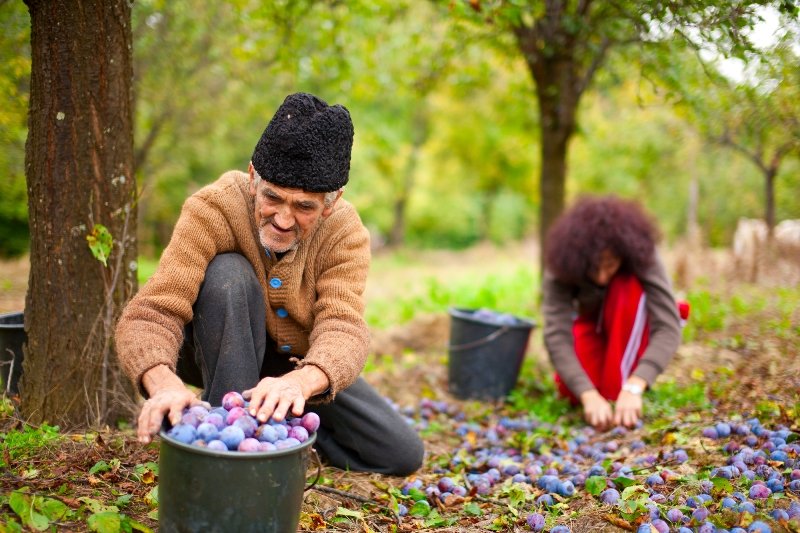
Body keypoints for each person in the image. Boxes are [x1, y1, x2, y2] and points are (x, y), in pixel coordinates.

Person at [115, 92, 424, 476]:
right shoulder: (213, 208)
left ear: (331, 202)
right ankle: (227, 449)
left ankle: (282, 427)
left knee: (400, 453)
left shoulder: (345, 232)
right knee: (229, 274)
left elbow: (344, 327)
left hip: (294, 366)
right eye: (272, 198)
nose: (282, 219)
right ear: (252, 178)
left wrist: (301, 382)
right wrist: (163, 383)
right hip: (215, 342)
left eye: (304, 207)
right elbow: (153, 311)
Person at [541, 196, 688, 430]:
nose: (601, 277)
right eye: (593, 267)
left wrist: (635, 385)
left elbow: (667, 326)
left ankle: (621, 385)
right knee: (571, 389)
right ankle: (606, 386)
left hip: (633, 321)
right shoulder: (562, 262)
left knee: (625, 287)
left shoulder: (642, 254)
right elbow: (556, 334)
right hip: (592, 323)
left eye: (610, 265)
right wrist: (587, 394)